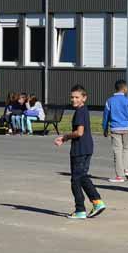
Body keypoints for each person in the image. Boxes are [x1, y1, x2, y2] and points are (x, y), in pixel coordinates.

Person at [53, 85, 105, 220]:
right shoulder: (84, 110)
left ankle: (83, 208)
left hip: (80, 149)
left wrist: (64, 137)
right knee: (81, 177)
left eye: (77, 97)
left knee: (76, 180)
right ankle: (94, 203)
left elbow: (79, 132)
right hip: (86, 148)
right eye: (72, 97)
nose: (74, 100)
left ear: (84, 98)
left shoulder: (80, 112)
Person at [103, 80, 128, 183]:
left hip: (115, 128)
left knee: (117, 151)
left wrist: (105, 128)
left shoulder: (109, 101)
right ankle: (127, 170)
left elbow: (106, 116)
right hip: (126, 127)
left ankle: (119, 175)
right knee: (126, 149)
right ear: (125, 89)